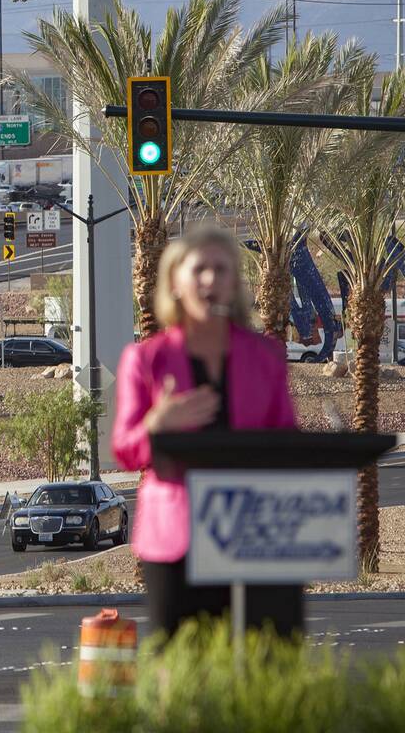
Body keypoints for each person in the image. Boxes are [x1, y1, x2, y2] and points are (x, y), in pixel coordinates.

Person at [112, 225, 299, 640]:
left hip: (254, 532)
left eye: (222, 269)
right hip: (176, 538)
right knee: (179, 667)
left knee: (265, 662)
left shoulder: (264, 355)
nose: (211, 280)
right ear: (176, 282)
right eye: (200, 270)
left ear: (235, 282)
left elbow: (288, 437)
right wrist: (156, 424)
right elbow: (125, 450)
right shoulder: (145, 359)